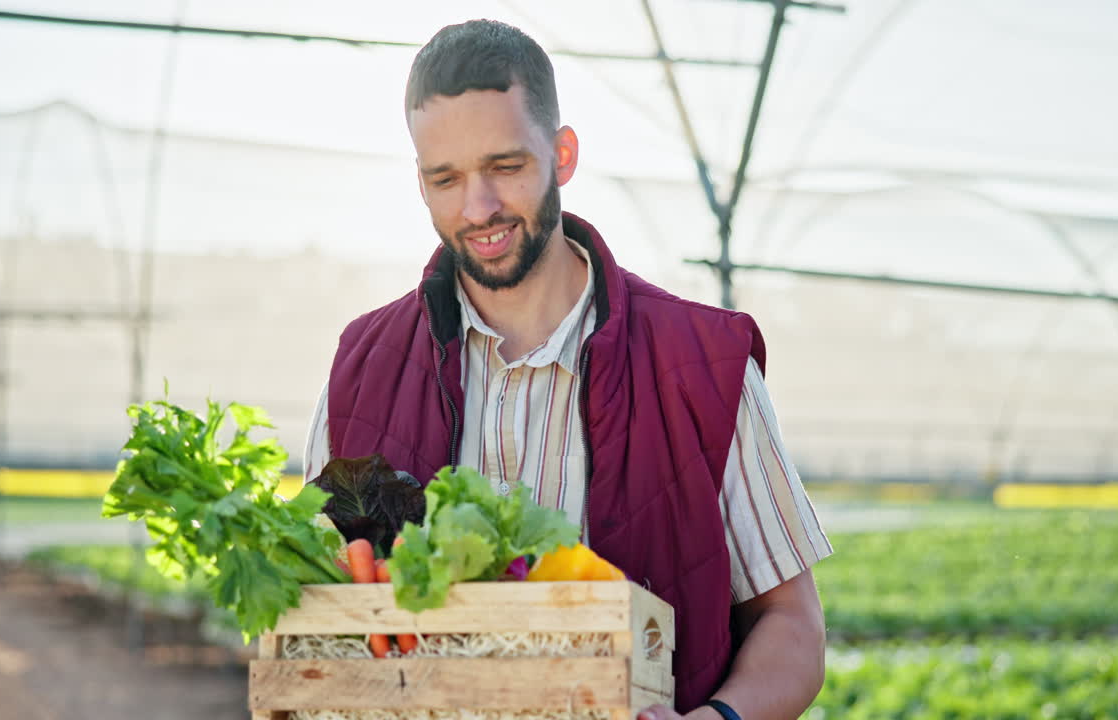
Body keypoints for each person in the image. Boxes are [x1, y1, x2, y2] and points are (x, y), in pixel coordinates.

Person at [303, 19, 833, 720]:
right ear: (421, 184)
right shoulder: (362, 369)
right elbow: (315, 619)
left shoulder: (702, 364)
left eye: (506, 166)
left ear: (563, 153)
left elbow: (792, 626)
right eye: (446, 178)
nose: (479, 207)